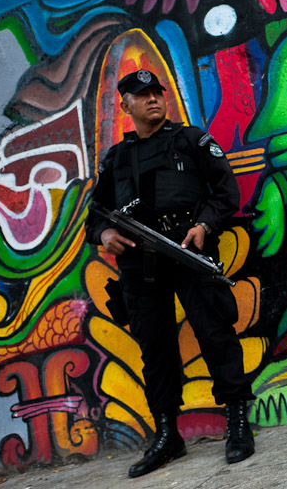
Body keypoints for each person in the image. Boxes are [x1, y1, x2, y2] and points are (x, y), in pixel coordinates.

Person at [85, 69, 255, 476]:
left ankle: (237, 420)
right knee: (154, 345)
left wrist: (205, 226)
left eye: (157, 92)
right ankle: (167, 434)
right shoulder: (116, 159)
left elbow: (226, 192)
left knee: (214, 333)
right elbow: (95, 214)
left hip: (188, 249)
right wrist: (105, 234)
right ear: (126, 105)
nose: (153, 100)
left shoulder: (191, 141)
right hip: (138, 262)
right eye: (142, 96)